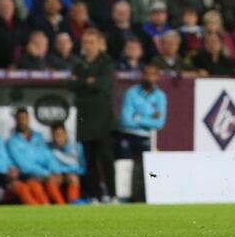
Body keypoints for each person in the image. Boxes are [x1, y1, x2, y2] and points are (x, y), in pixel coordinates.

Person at [70, 29, 116, 202]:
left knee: (106, 158)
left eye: (91, 42)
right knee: (89, 161)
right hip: (85, 118)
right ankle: (95, 195)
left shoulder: (106, 62)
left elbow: (102, 84)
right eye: (85, 42)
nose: (88, 46)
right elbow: (71, 85)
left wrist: (82, 82)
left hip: (102, 119)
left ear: (99, 43)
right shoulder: (79, 63)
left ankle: (112, 195)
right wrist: (87, 82)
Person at [115, 64, 167, 202]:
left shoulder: (160, 96)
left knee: (146, 168)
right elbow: (126, 120)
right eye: (146, 74)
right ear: (142, 75)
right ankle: (125, 197)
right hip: (129, 135)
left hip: (147, 137)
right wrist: (149, 119)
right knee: (127, 166)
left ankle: (145, 197)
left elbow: (159, 123)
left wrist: (138, 118)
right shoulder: (131, 93)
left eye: (153, 74)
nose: (149, 77)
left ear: (157, 77)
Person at [6, 108, 60, 205]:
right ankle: (44, 209)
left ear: (28, 120)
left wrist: (55, 171)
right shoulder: (12, 142)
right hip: (25, 175)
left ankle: (63, 207)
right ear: (16, 121)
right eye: (20, 119)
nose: (23, 121)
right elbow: (22, 164)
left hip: (43, 174)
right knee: (34, 184)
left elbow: (48, 156)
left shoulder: (38, 137)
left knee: (54, 182)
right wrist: (45, 174)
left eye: (25, 118)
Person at [47, 123, 84, 203]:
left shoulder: (77, 146)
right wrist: (58, 173)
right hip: (58, 175)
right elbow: (49, 164)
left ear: (66, 133)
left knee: (73, 178)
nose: (58, 138)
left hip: (73, 174)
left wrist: (69, 171)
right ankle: (61, 205)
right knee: (50, 180)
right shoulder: (49, 148)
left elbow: (82, 167)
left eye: (60, 134)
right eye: (55, 135)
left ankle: (73, 204)